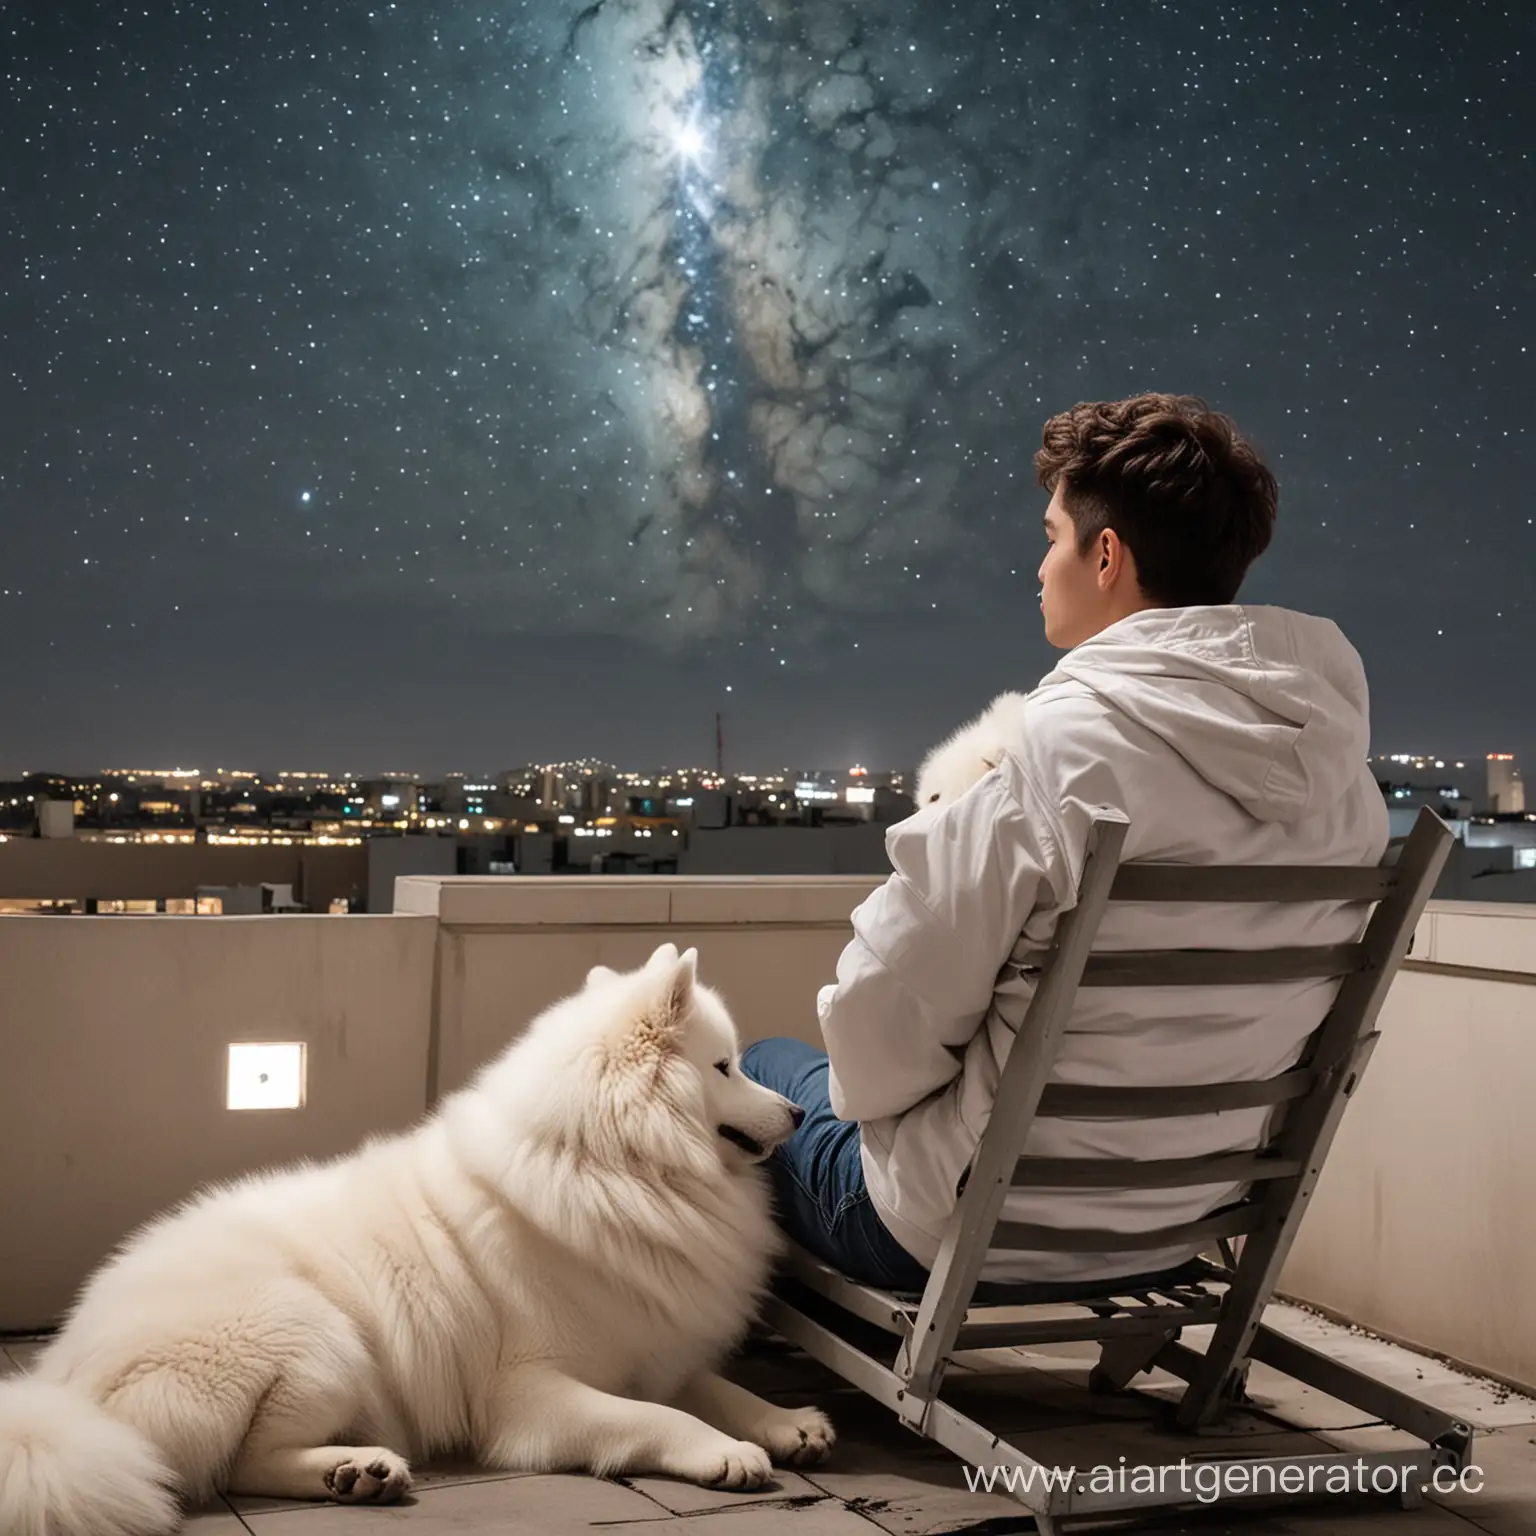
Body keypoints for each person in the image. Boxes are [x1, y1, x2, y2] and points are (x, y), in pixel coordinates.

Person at [742, 392, 1390, 1294]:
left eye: (1051, 537)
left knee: (755, 1073)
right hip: (1184, 1220)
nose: (1039, 569)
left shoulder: (1051, 754)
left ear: (1108, 554)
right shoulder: (1346, 787)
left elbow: (876, 1032)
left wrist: (901, 1110)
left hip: (973, 1226)